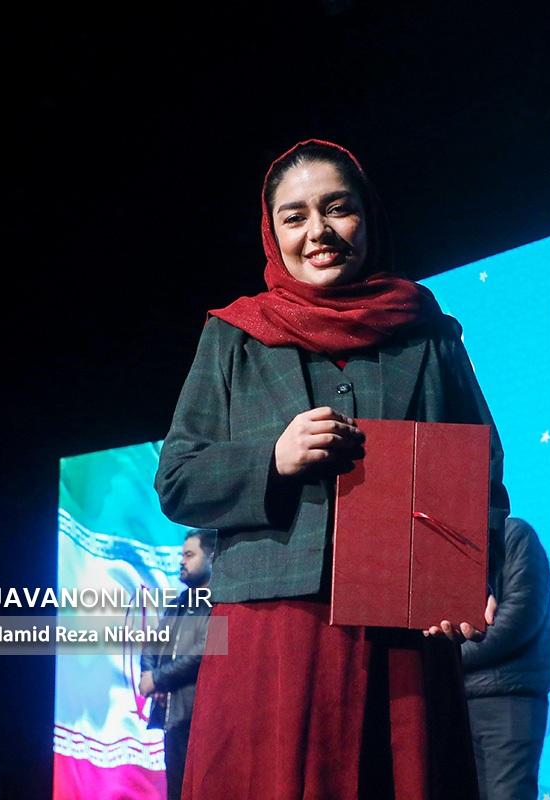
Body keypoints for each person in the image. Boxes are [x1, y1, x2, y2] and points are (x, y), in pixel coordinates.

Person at [155, 139, 509, 800]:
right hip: (272, 635)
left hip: (403, 633)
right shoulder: (234, 335)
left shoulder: (427, 332)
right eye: (294, 217)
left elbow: (480, 469)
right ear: (273, 233)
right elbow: (177, 478)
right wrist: (272, 459)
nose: (317, 231)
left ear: (367, 218)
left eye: (337, 209)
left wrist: (467, 579)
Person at [460, 517, 550, 800]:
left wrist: (451, 656)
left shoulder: (515, 534)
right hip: (461, 697)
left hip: (508, 696)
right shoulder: (452, 543)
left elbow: (519, 618)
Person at [139, 529, 215, 800]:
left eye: (190, 555)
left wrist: (159, 679)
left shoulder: (220, 603)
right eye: (182, 555)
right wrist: (151, 676)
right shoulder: (178, 603)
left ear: (211, 557)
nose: (182, 561)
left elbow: (203, 652)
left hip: (199, 717)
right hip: (173, 717)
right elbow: (152, 644)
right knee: (176, 790)